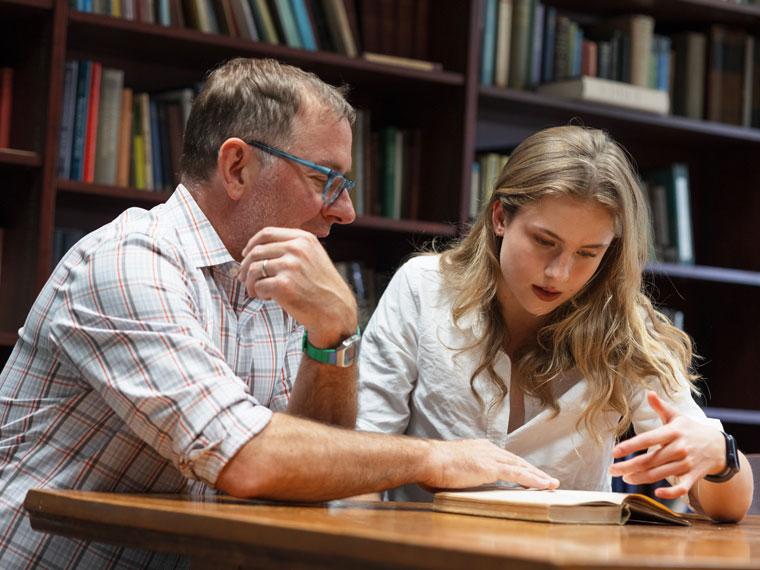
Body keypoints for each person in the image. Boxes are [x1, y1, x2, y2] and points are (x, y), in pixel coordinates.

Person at [0, 58, 558, 568]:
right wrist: (434, 460)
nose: (346, 210)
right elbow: (246, 457)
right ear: (237, 166)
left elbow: (315, 471)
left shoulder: (280, 276)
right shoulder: (129, 261)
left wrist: (334, 332)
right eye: (325, 180)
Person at [356, 125, 753, 521]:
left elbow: (729, 505)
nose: (559, 273)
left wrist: (721, 457)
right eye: (544, 242)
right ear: (500, 217)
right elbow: (361, 458)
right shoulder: (423, 288)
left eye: (587, 253)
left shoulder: (624, 326)